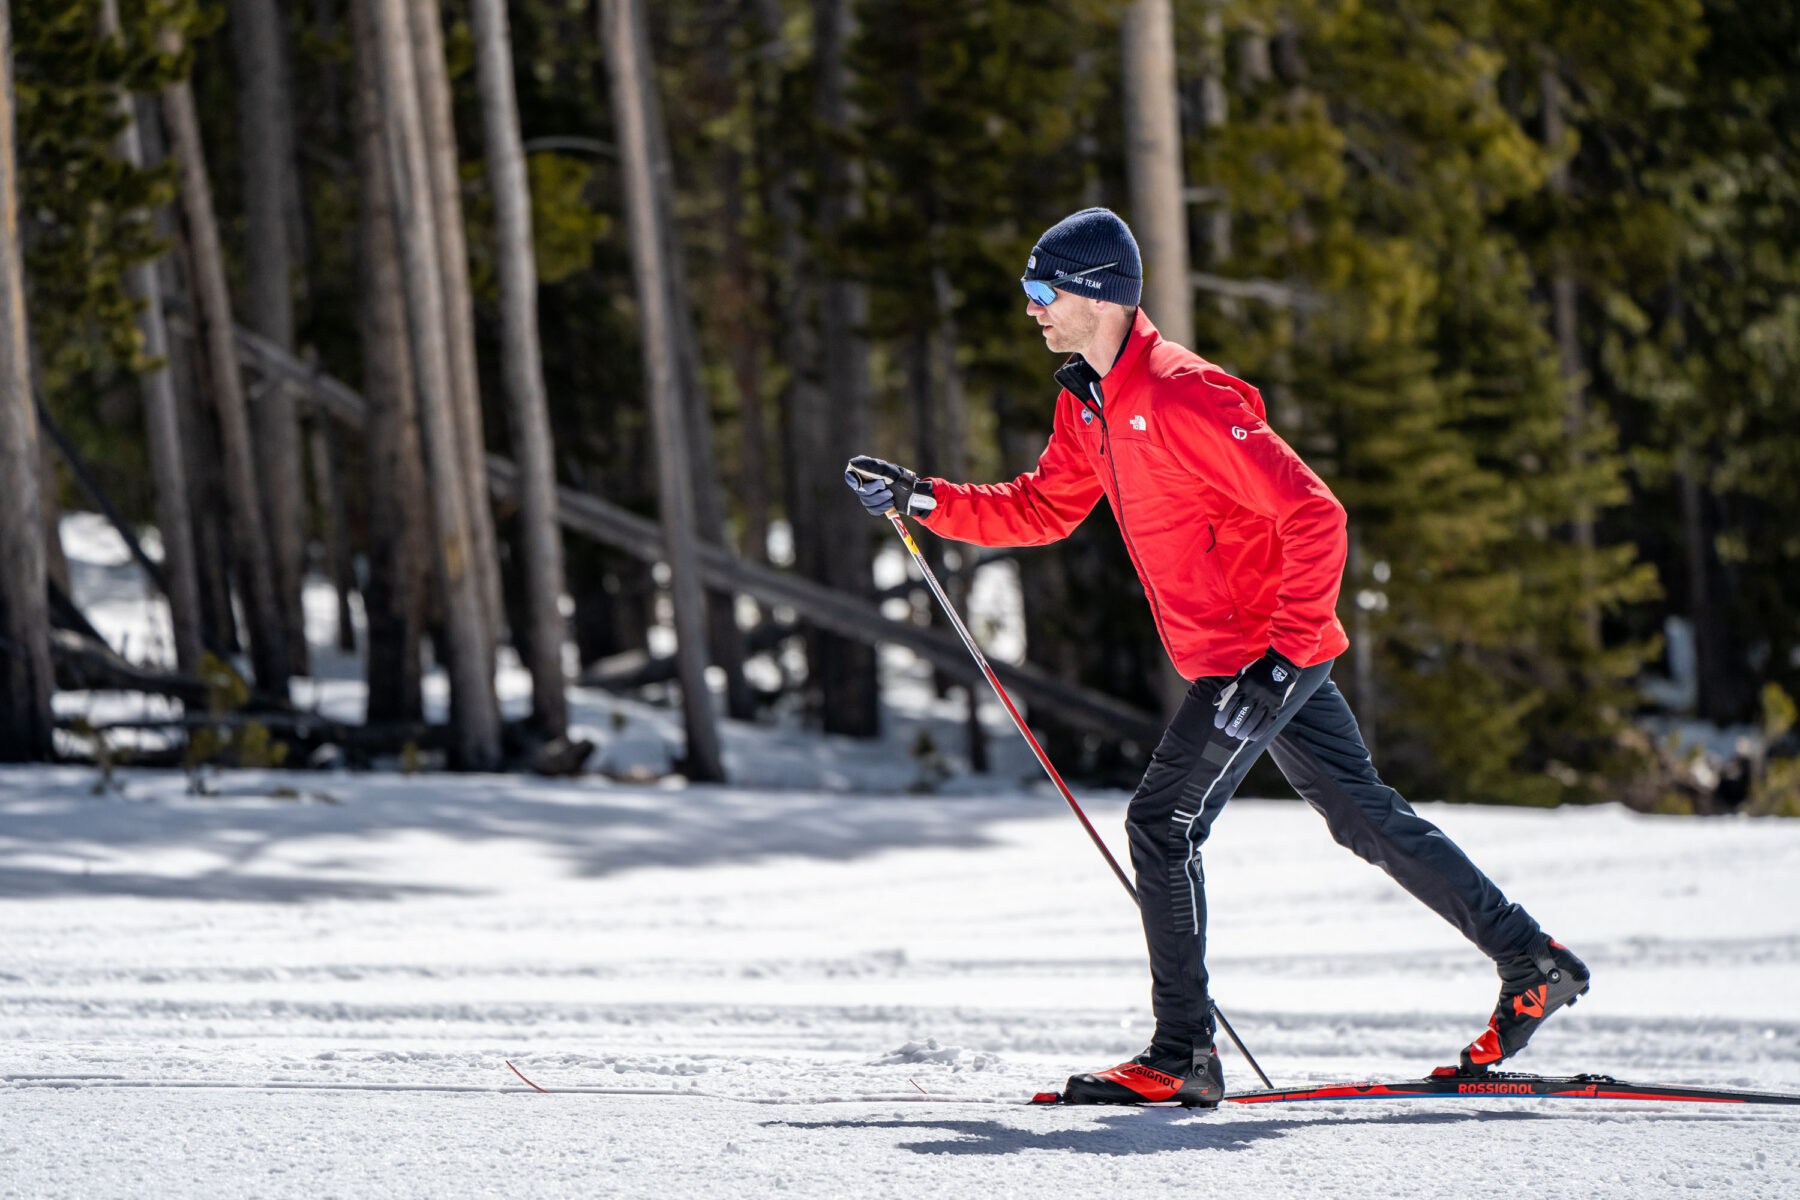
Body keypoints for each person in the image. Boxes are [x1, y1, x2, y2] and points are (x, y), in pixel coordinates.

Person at [842, 207, 1588, 1107]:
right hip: (1242, 655)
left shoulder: (1181, 393)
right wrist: (923, 500)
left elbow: (1318, 514)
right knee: (1361, 815)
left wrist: (1279, 657)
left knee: (1161, 825)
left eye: (1044, 291)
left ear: (1098, 295)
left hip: (1257, 655)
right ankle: (1532, 959)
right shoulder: (1089, 400)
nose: (1032, 308)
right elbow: (1044, 507)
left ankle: (1181, 1053)